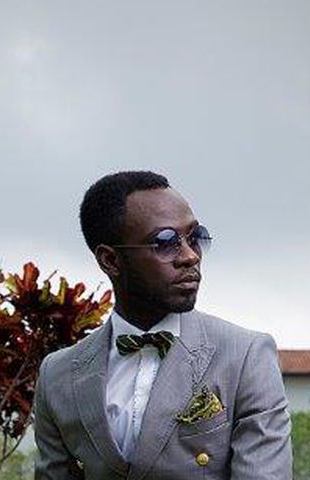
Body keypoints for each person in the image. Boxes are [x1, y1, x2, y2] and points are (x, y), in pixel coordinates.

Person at [33, 171, 292, 479]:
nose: (190, 256)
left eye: (195, 237)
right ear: (110, 261)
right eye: (165, 243)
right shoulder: (58, 375)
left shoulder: (245, 356)